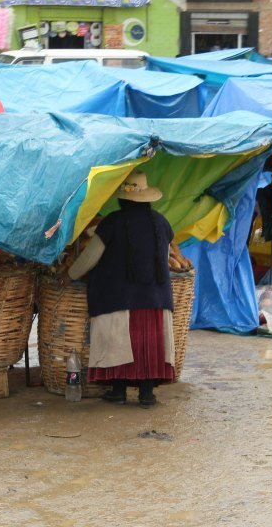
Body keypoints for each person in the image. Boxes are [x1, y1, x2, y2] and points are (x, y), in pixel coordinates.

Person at [65, 171, 175, 408]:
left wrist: (70, 274)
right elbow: (164, 259)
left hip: (120, 298)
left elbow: (90, 258)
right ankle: (147, 394)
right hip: (155, 299)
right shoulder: (162, 223)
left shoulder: (112, 222)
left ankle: (119, 391)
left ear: (122, 199)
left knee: (119, 346)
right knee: (148, 347)